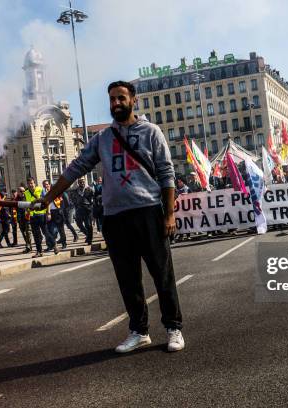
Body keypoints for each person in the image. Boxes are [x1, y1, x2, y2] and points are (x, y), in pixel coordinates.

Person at [37, 80, 184, 353]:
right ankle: (139, 331)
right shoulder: (103, 139)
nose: (116, 103)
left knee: (162, 275)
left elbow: (167, 174)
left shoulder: (151, 132)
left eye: (121, 98)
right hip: (115, 217)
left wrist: (169, 214)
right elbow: (75, 168)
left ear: (133, 100)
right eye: (112, 99)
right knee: (128, 279)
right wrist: (48, 198)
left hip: (149, 212)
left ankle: (173, 328)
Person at [24, 177, 57, 257]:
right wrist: (27, 211)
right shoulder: (26, 192)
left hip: (41, 215)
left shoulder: (40, 189)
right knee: (36, 235)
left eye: (32, 183)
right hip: (33, 216)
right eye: (29, 184)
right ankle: (39, 252)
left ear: (34, 183)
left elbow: (47, 201)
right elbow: (26, 204)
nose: (30, 185)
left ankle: (55, 246)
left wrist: (48, 213)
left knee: (45, 232)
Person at [42, 180, 67, 249]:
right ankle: (50, 245)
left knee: (61, 229)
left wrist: (61, 210)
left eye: (47, 184)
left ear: (49, 185)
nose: (46, 186)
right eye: (44, 185)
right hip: (49, 213)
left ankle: (64, 243)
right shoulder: (43, 193)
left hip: (57, 211)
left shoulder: (55, 191)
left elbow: (62, 200)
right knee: (49, 230)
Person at [70, 177, 94, 244]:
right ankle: (87, 234)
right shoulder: (76, 190)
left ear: (85, 182)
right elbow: (72, 198)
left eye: (83, 181)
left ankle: (90, 239)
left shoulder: (89, 189)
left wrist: (90, 206)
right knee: (79, 224)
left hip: (87, 209)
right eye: (80, 182)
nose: (82, 183)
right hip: (79, 209)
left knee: (88, 225)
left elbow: (93, 199)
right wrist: (75, 204)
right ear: (78, 183)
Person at [16, 186, 33, 253]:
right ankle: (28, 245)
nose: (23, 192)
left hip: (27, 217)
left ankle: (28, 246)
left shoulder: (27, 197)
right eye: (21, 191)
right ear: (18, 192)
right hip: (20, 218)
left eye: (24, 191)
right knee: (23, 233)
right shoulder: (16, 199)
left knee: (28, 232)